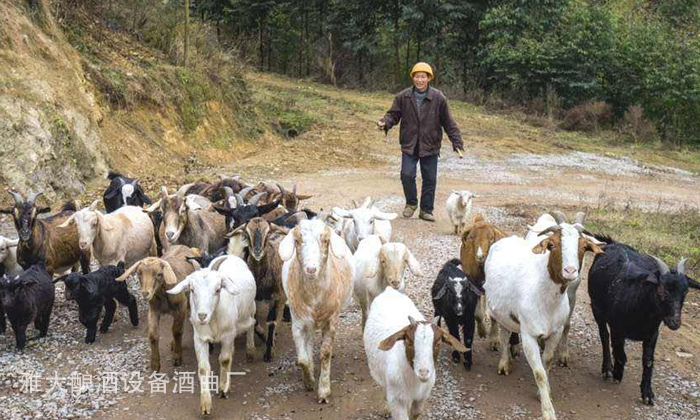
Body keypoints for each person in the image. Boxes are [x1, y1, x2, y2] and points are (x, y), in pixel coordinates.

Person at [377, 62, 464, 222]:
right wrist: (385, 122)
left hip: (430, 144)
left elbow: (448, 122)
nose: (420, 80)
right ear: (413, 78)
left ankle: (426, 210)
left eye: (423, 77)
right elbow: (393, 115)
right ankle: (411, 204)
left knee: (430, 178)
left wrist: (456, 141)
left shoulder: (438, 98)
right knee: (406, 174)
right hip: (410, 143)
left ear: (429, 78)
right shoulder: (403, 96)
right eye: (417, 77)